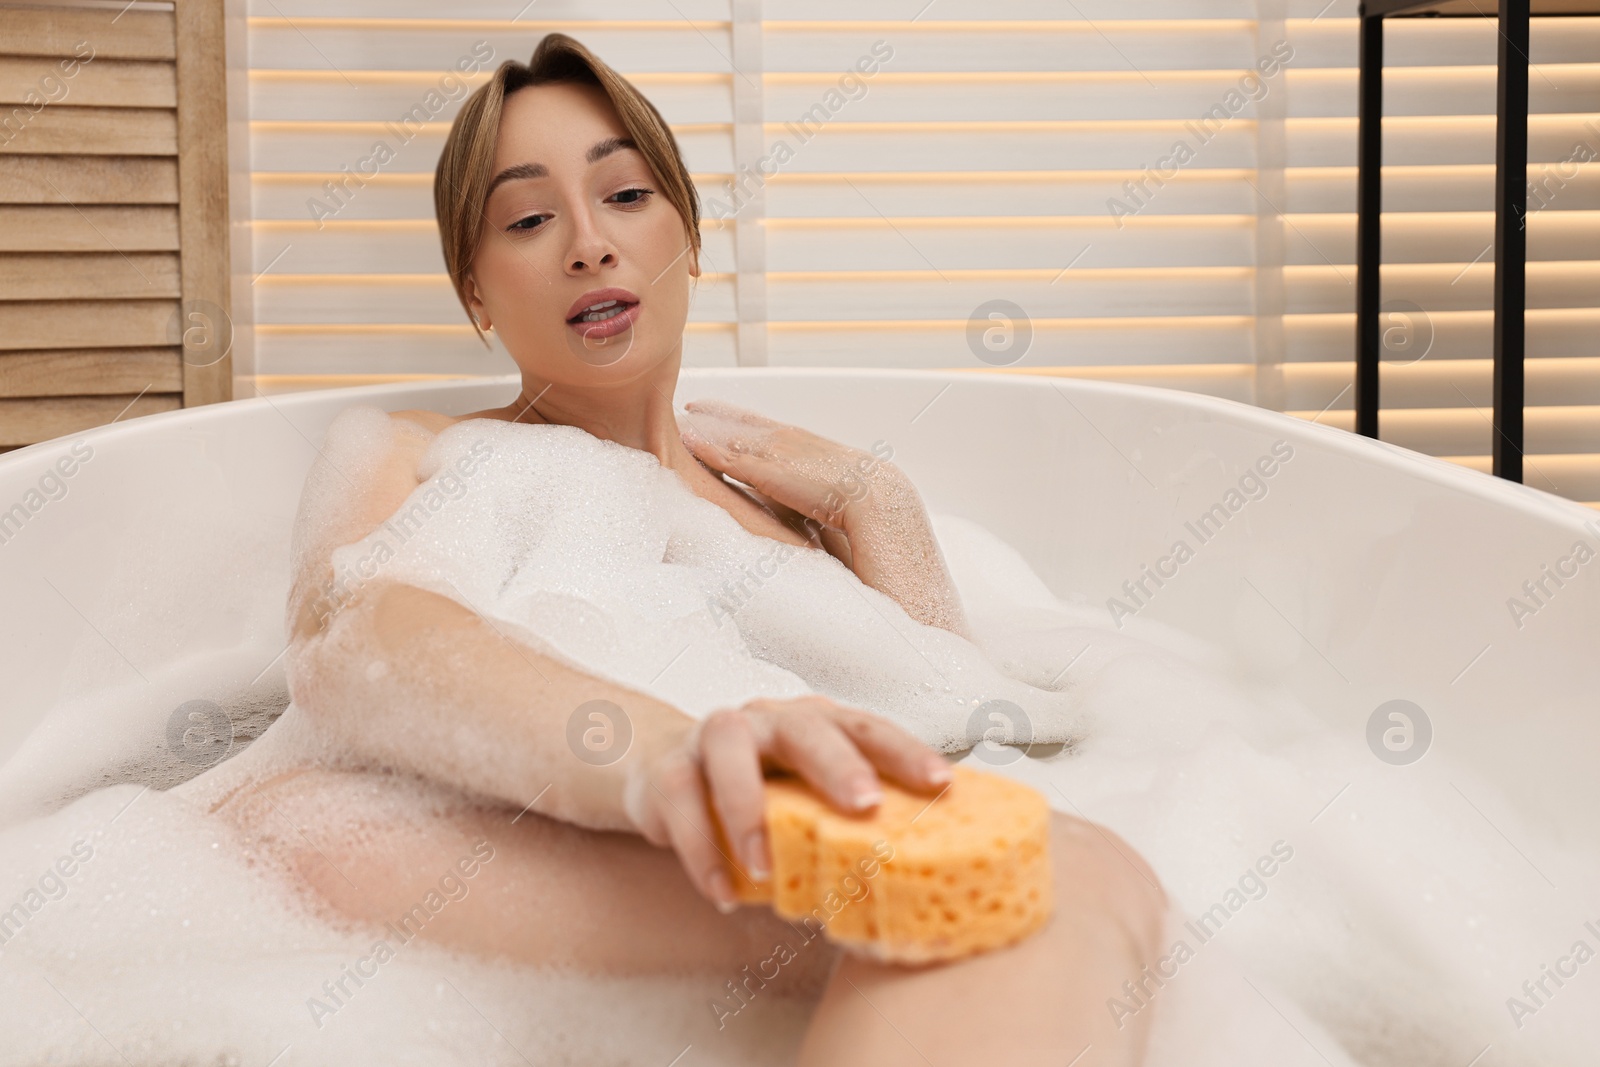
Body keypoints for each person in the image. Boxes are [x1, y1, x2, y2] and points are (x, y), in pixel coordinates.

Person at [180, 33, 1169, 1066]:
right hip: (480, 845)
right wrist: (662, 756)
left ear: (689, 241)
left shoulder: (783, 524)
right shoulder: (423, 454)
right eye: (526, 218)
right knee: (1039, 882)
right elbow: (357, 635)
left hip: (750, 884)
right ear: (474, 292)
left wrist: (881, 507)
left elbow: (959, 725)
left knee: (1048, 870)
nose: (586, 243)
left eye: (626, 197)